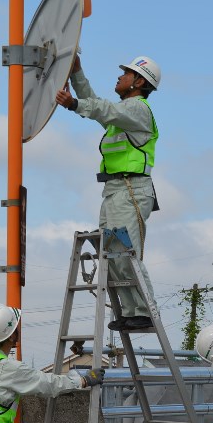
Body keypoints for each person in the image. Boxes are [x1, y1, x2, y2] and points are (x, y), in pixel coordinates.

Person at [56, 54, 161, 331]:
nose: (119, 77)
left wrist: (75, 104)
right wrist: (78, 73)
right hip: (115, 190)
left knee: (126, 254)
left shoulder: (138, 110)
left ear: (139, 82)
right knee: (112, 254)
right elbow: (100, 106)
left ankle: (144, 312)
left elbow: (101, 108)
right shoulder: (123, 115)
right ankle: (129, 311)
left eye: (125, 73)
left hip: (131, 189)